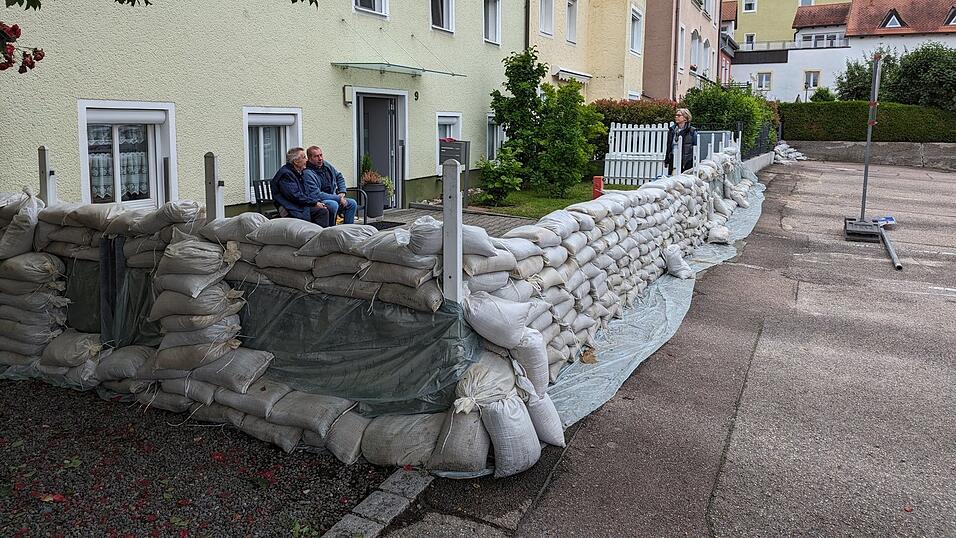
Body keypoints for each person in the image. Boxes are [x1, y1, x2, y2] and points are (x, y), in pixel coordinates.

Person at [270, 147, 333, 227]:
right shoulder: (286, 174)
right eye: (304, 157)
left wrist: (316, 201)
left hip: (298, 204)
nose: (306, 160)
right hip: (290, 207)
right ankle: (318, 234)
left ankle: (327, 232)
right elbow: (295, 196)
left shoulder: (296, 172)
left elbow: (304, 193)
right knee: (322, 212)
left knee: (328, 207)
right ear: (296, 162)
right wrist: (314, 203)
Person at [305, 145, 358, 225]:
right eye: (316, 156)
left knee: (352, 203)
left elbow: (339, 176)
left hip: (333, 196)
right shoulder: (307, 173)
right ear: (309, 158)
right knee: (333, 204)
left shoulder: (325, 165)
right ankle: (331, 229)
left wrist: (342, 192)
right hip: (319, 200)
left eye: (321, 155)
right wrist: (338, 198)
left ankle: (348, 229)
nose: (320, 158)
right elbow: (317, 194)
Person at [664, 108, 698, 175]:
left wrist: (693, 161)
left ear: (685, 118)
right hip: (673, 159)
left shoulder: (692, 131)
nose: (676, 117)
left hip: (686, 161)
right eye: (676, 115)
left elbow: (695, 147)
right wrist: (667, 159)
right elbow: (669, 146)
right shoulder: (672, 130)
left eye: (679, 115)